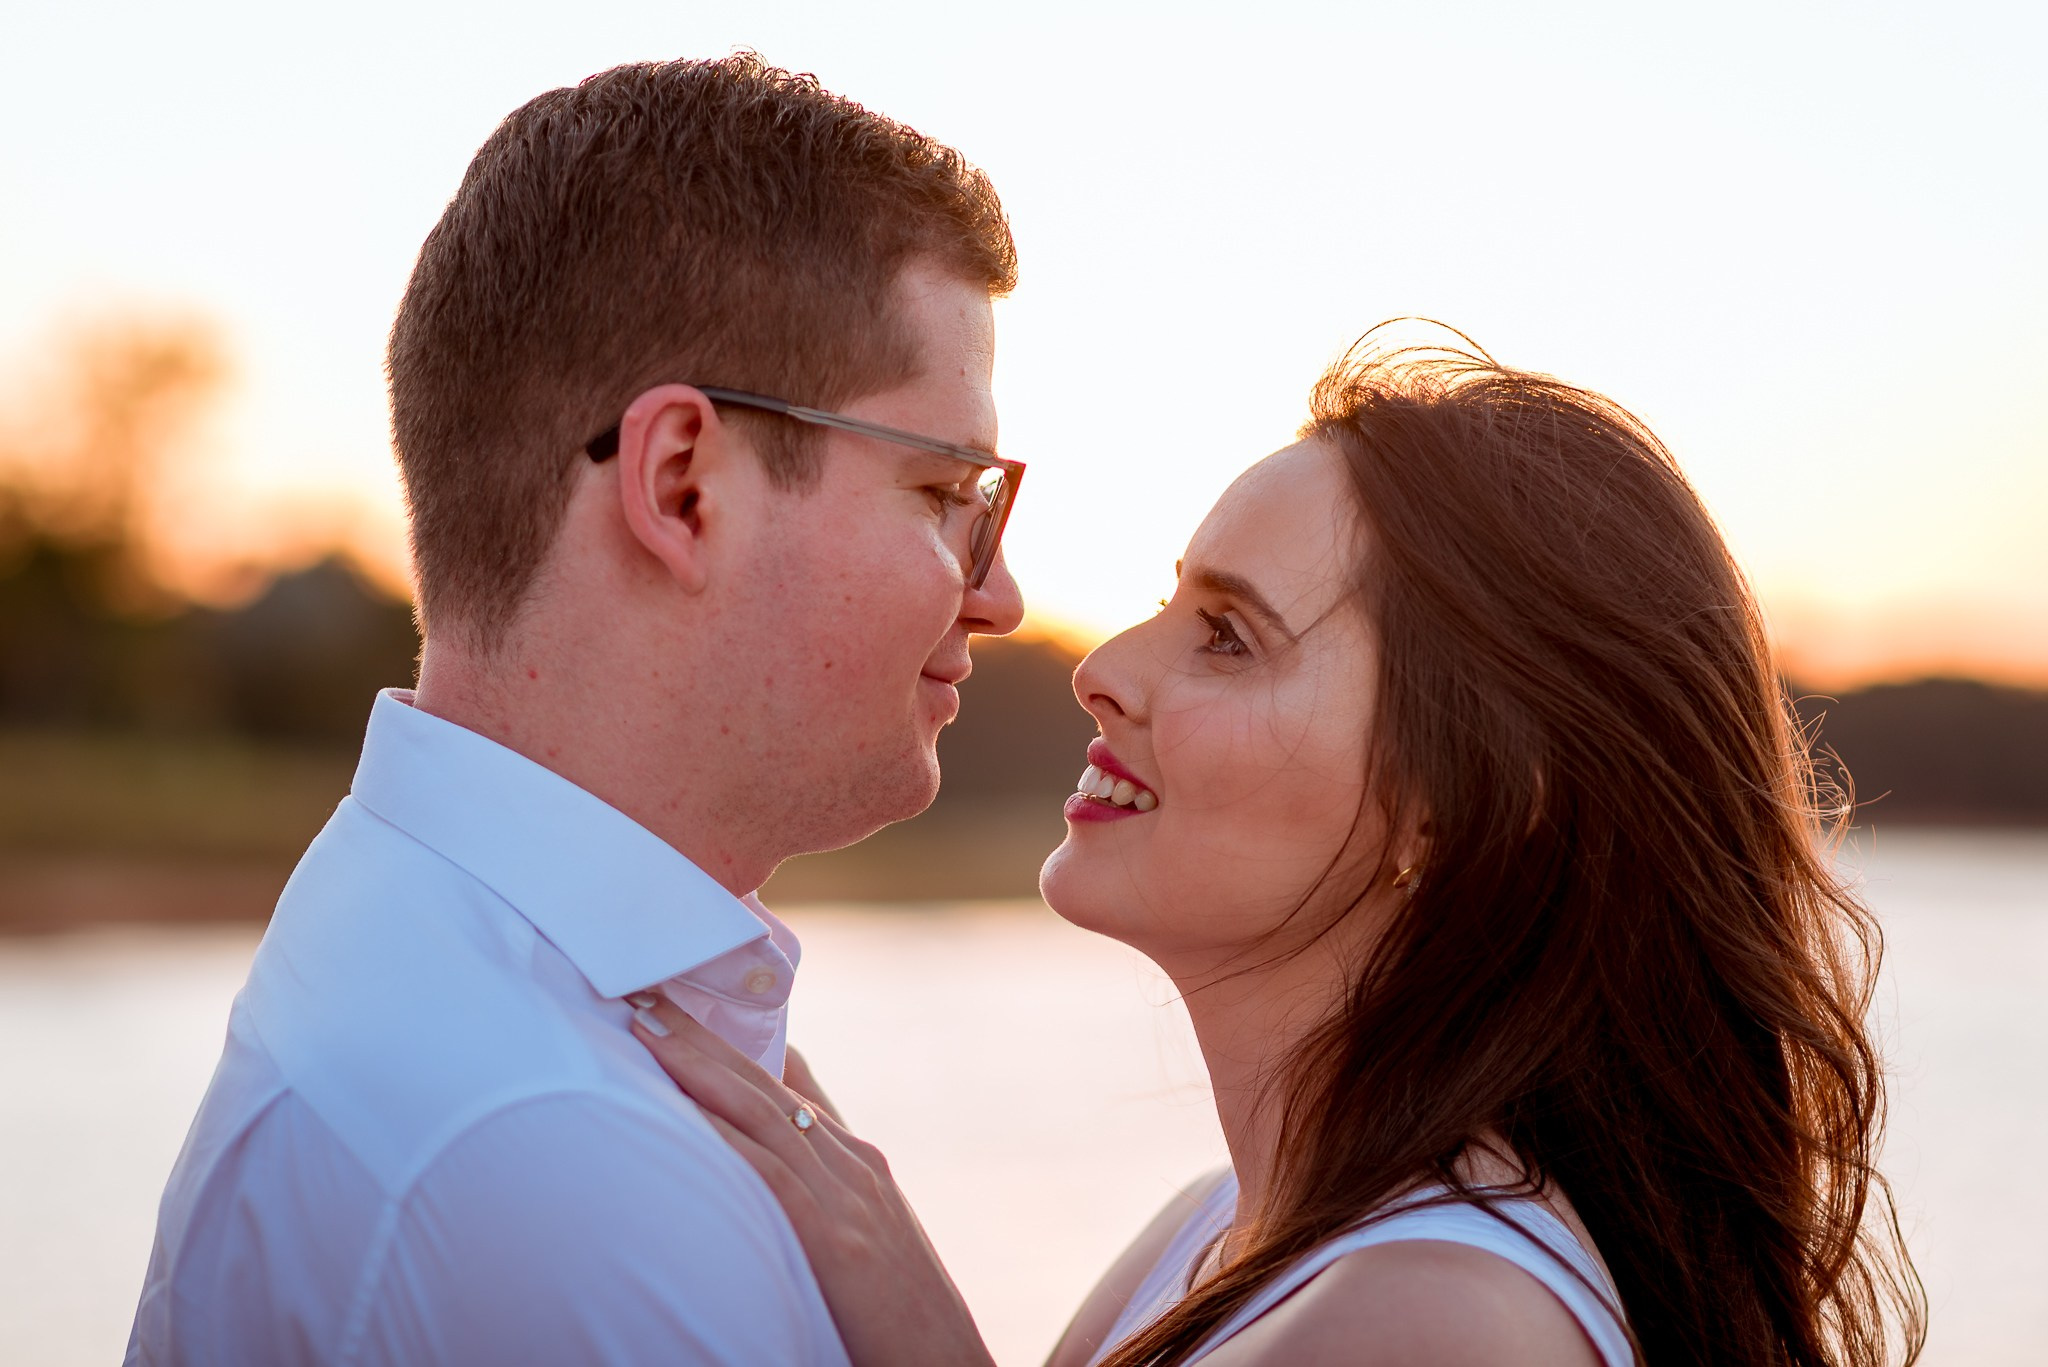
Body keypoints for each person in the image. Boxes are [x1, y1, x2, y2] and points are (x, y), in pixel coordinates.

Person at [632, 335, 1928, 1366]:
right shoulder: (1214, 1239)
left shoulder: (1434, 1326)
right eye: (1167, 603)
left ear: (1464, 806)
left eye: (1230, 637)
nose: (1102, 670)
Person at [127, 54, 1023, 1366]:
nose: (997, 592)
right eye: (948, 496)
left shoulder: (440, 964)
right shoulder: (554, 1159)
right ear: (681, 484)